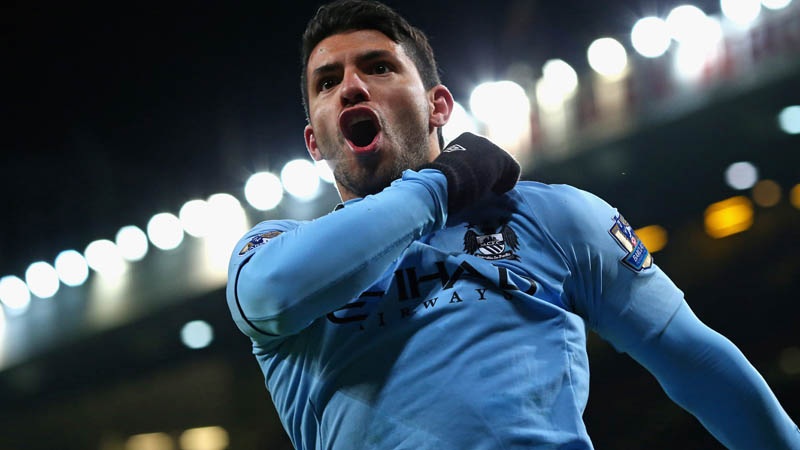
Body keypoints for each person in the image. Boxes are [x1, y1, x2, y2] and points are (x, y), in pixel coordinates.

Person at [226, 1, 800, 448]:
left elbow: (699, 363)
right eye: (328, 82)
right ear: (313, 144)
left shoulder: (553, 217)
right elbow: (271, 295)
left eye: (379, 67)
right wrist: (442, 185)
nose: (352, 85)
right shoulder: (273, 250)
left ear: (438, 107)